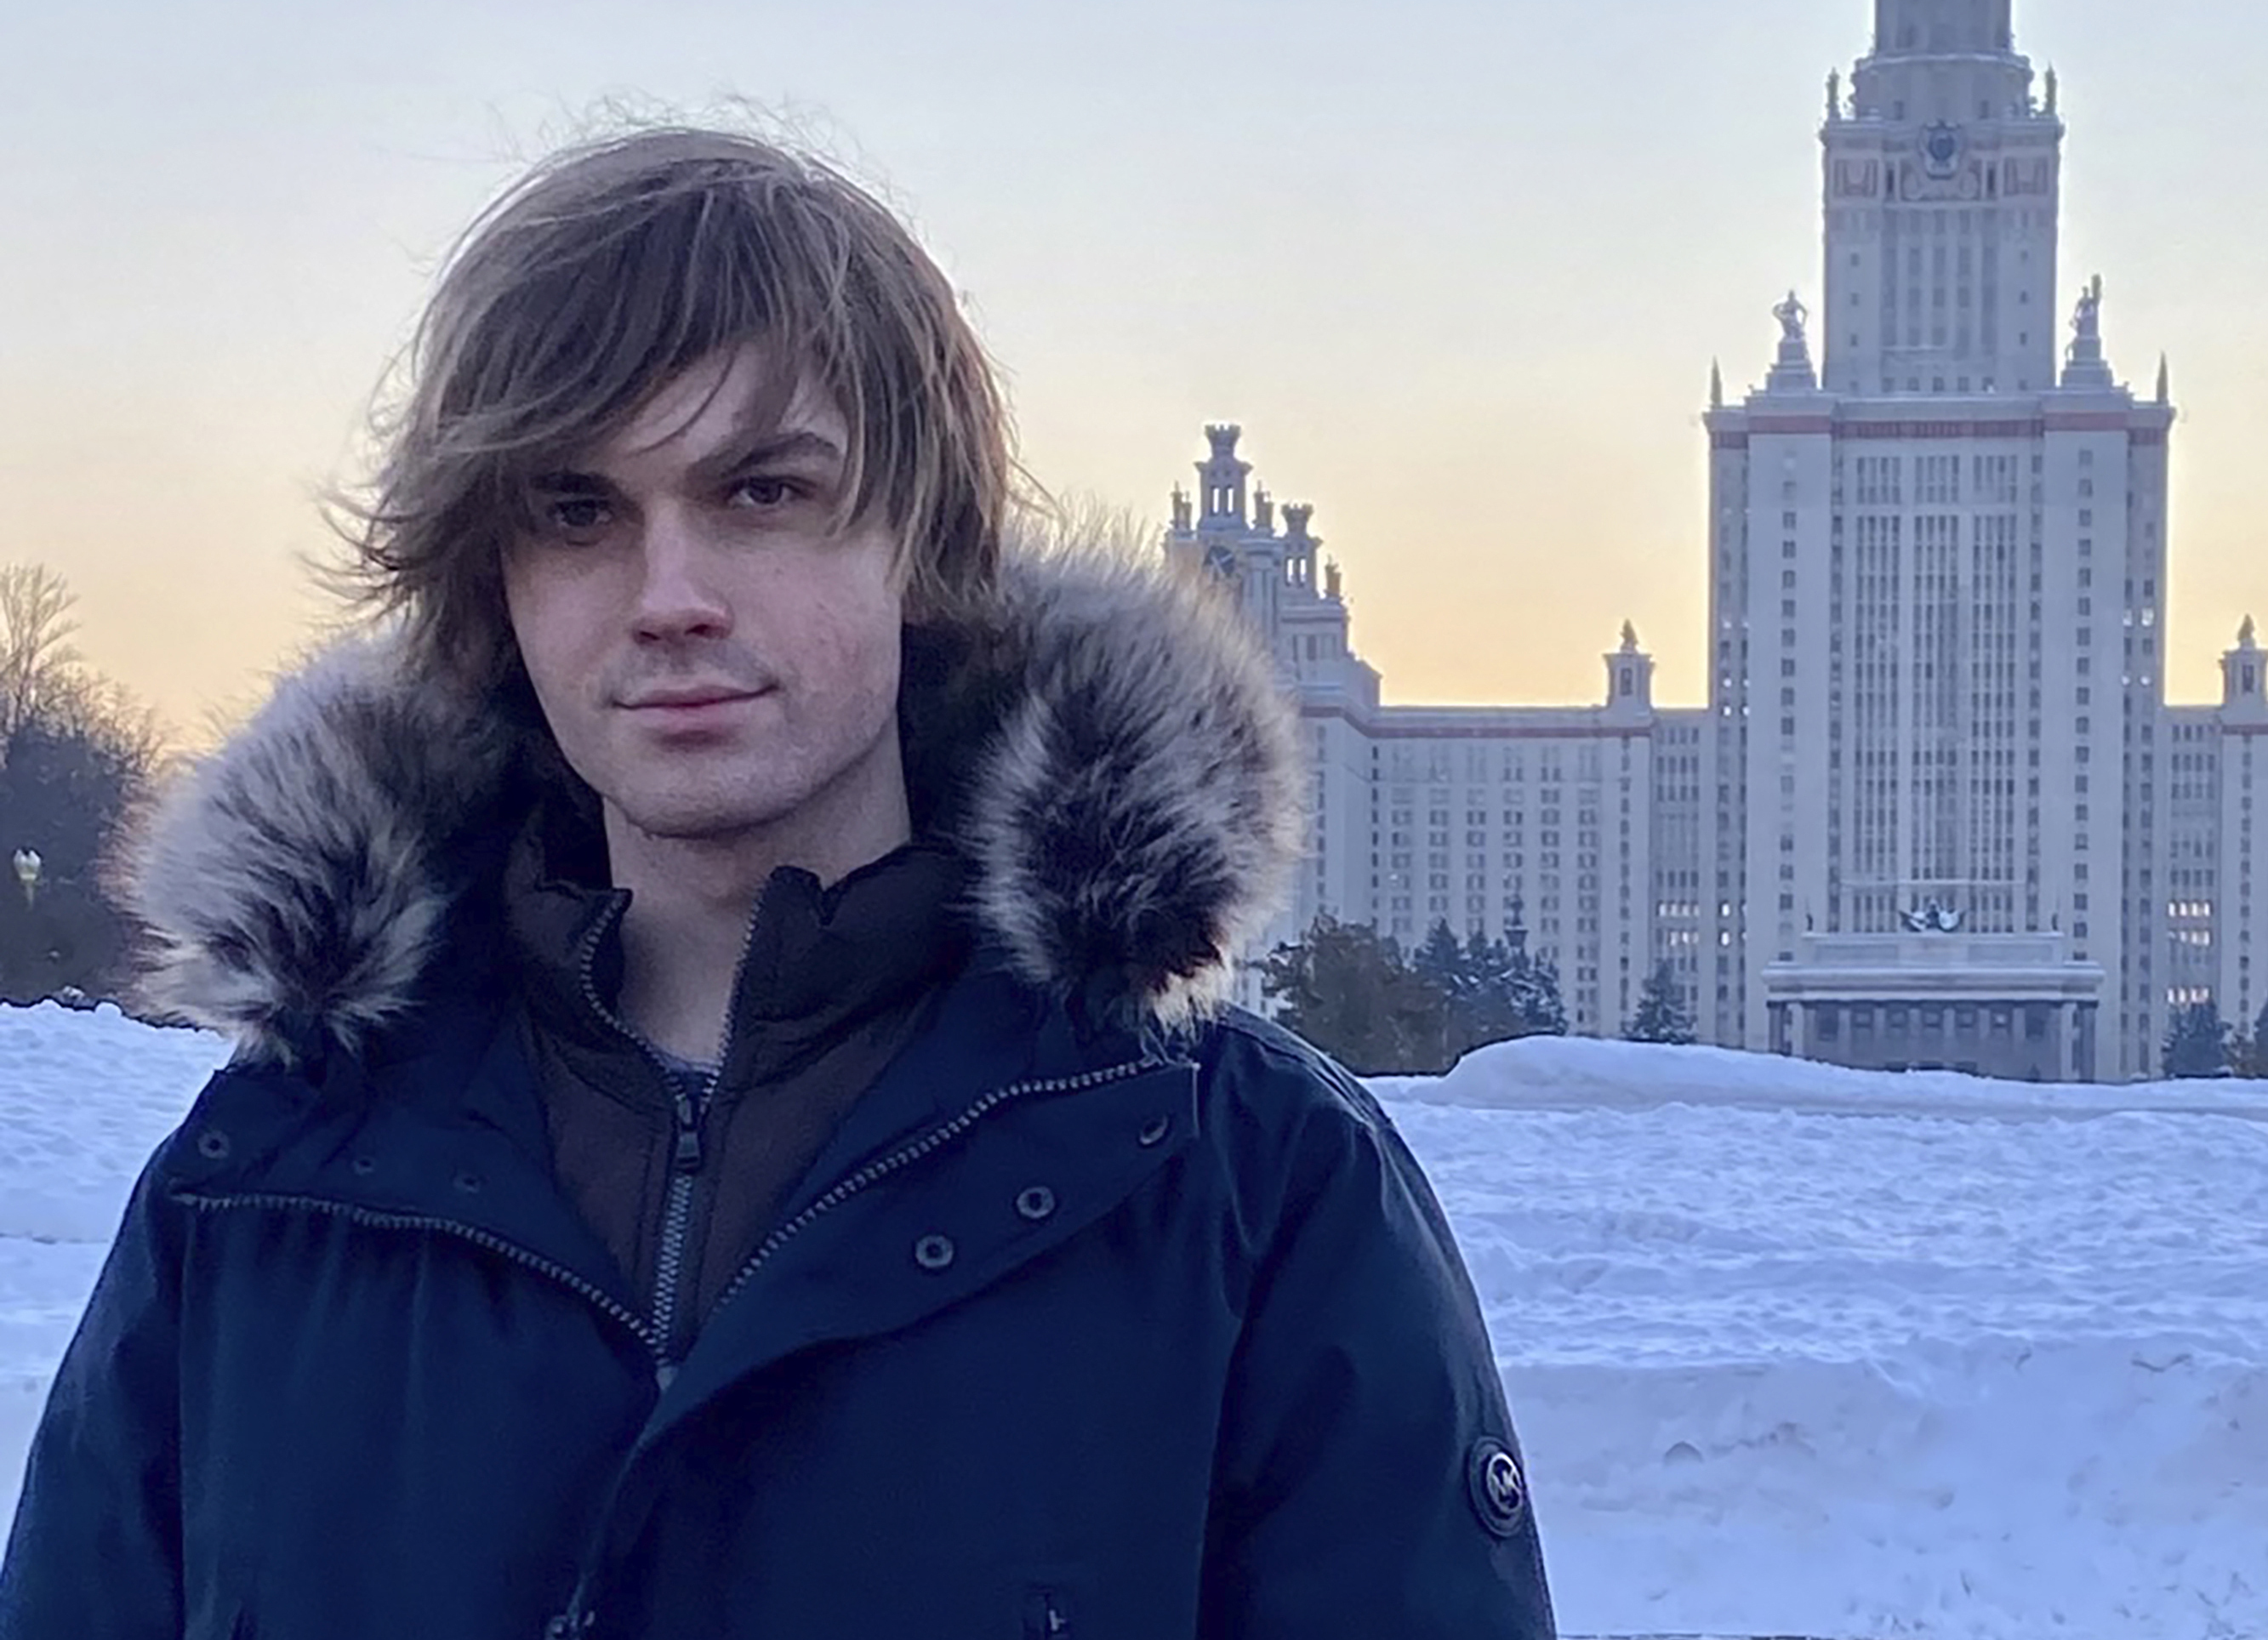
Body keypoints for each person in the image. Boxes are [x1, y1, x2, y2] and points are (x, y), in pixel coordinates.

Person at [0, 128, 1556, 1638]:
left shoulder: (1243, 1184)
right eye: (575, 511)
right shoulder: (265, 1187)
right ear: (493, 584)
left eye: (763, 491)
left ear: (922, 537)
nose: (667, 597)